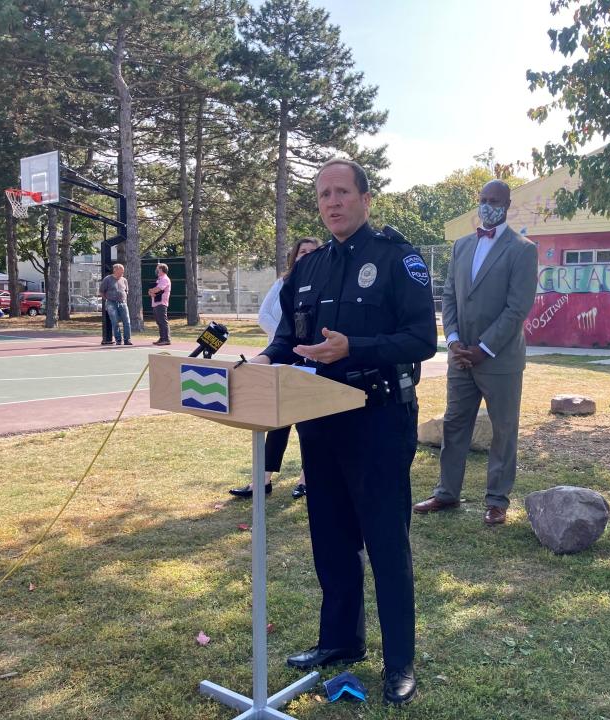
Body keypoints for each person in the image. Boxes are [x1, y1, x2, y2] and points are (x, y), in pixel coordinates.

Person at [247, 158, 436, 705]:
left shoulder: (398, 258)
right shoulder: (307, 270)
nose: (332, 202)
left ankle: (399, 661)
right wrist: (260, 360)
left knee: (385, 545)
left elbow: (422, 339)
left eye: (342, 192)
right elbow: (287, 338)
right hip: (320, 421)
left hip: (377, 419)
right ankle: (340, 641)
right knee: (330, 540)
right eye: (323, 194)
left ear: (366, 198)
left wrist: (356, 348)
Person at [413, 180, 538, 525]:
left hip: (499, 359)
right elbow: (450, 297)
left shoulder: (523, 249)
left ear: (507, 204)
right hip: (460, 357)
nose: (487, 206)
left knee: (503, 429)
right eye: (482, 200)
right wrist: (452, 340)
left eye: (494, 200)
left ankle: (497, 500)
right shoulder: (461, 246)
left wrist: (483, 349)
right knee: (455, 426)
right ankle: (446, 493)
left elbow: (517, 307)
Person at [229, 237, 319, 500]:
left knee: (307, 422)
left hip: (309, 364)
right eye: (303, 251)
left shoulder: (326, 285)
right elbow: (264, 316)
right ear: (295, 255)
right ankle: (263, 480)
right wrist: (287, 337)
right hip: (281, 357)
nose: (307, 256)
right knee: (277, 422)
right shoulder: (284, 282)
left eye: (313, 252)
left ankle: (307, 478)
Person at [99, 263, 132, 346]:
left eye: (123, 272)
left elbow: (126, 290)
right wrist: (107, 299)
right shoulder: (107, 279)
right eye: (121, 271)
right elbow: (101, 291)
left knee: (127, 321)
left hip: (122, 302)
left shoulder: (124, 280)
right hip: (111, 303)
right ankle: (118, 340)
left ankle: (127, 339)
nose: (122, 273)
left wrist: (124, 296)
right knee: (115, 322)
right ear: (115, 270)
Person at [148, 262, 171, 346]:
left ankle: (166, 339)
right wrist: (151, 292)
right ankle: (162, 338)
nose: (156, 270)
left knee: (163, 321)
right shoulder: (159, 279)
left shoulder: (165, 279)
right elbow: (152, 291)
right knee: (159, 321)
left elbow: (158, 289)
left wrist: (152, 291)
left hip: (161, 303)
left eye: (158, 268)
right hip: (156, 303)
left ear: (162, 270)